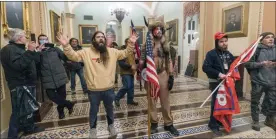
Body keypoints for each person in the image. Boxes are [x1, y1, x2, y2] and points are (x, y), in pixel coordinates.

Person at [56, 31, 137, 138]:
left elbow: (126, 53)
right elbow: (73, 56)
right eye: (98, 37)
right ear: (94, 40)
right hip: (94, 90)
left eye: (102, 37)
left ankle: (111, 125)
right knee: (93, 110)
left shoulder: (113, 51)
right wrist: (66, 45)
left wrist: (131, 43)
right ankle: (93, 129)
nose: (101, 39)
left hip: (109, 89)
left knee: (109, 108)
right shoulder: (86, 52)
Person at [0, 28, 45, 138]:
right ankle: (12, 136)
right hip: (19, 84)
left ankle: (29, 128)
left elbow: (30, 61)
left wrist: (36, 52)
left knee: (27, 109)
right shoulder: (8, 49)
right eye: (25, 36)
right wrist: (29, 51)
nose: (26, 38)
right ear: (19, 38)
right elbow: (18, 66)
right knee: (18, 111)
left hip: (27, 83)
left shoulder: (18, 48)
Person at [140, 18, 179, 136]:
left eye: (161, 29)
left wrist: (171, 76)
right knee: (152, 100)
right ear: (152, 31)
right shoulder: (146, 44)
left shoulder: (165, 45)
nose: (159, 31)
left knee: (165, 101)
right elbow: (142, 60)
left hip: (163, 74)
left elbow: (169, 61)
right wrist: (140, 71)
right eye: (156, 29)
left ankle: (169, 124)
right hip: (151, 75)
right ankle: (154, 123)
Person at [202, 32, 235, 136]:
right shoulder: (211, 54)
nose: (224, 43)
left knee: (225, 103)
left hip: (227, 83)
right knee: (216, 104)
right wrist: (219, 74)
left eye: (225, 41)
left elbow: (233, 67)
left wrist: (232, 76)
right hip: (216, 82)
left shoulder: (229, 54)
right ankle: (212, 124)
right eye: (221, 42)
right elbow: (205, 68)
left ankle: (221, 120)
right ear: (217, 42)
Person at [37, 34, 75, 119]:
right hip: (47, 77)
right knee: (51, 95)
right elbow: (36, 63)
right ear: (38, 41)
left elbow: (65, 58)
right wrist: (38, 52)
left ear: (48, 40)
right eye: (41, 39)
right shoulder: (37, 51)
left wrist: (66, 46)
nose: (43, 41)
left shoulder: (55, 49)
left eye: (45, 39)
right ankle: (69, 104)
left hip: (59, 75)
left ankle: (61, 112)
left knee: (62, 96)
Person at [244, 32, 276, 131]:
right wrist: (261, 64)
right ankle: (256, 121)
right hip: (258, 81)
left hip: (273, 81)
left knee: (273, 102)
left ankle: (269, 120)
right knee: (255, 102)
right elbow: (247, 64)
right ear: (261, 40)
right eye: (268, 37)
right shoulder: (255, 49)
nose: (271, 39)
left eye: (272, 37)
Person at [115, 38, 139, 106]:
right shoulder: (122, 51)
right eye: (130, 42)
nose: (132, 44)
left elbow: (134, 61)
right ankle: (117, 98)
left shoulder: (132, 51)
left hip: (131, 72)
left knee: (131, 87)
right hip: (125, 72)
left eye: (132, 43)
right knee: (127, 86)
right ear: (126, 43)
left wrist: (137, 59)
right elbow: (121, 63)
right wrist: (130, 66)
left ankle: (130, 100)